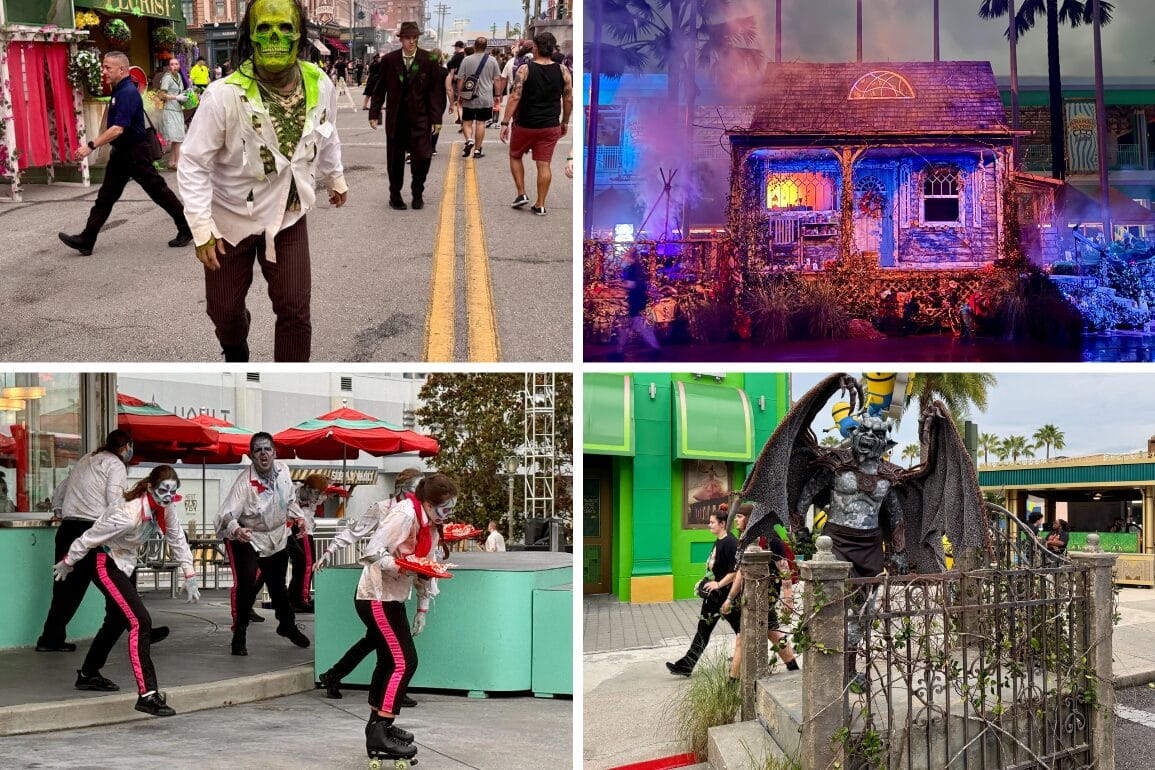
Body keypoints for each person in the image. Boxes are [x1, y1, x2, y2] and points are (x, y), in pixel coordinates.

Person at [179, 0, 349, 363]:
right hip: (229, 219)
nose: (275, 37)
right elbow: (193, 162)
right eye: (264, 28)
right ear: (250, 37)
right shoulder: (223, 95)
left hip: (287, 214)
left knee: (295, 309)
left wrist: (335, 176)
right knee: (224, 313)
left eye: (285, 28)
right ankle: (235, 350)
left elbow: (328, 133)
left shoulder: (320, 83)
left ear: (300, 34)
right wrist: (200, 227)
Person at [53, 465, 200, 717]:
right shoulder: (128, 513)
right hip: (104, 561)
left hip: (124, 563)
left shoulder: (165, 508)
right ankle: (148, 694)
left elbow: (176, 537)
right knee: (140, 621)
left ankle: (88, 674)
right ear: (151, 488)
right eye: (163, 491)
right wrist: (68, 562)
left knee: (117, 619)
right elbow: (90, 537)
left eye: (172, 492)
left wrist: (189, 574)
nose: (167, 496)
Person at [355, 473, 458, 766]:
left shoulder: (433, 526)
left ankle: (376, 725)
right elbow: (372, 553)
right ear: (427, 503)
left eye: (451, 508)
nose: (447, 514)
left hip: (394, 597)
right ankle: (381, 728)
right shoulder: (403, 515)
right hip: (375, 595)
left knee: (389, 661)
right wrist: (402, 567)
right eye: (444, 509)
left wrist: (422, 609)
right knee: (404, 662)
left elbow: (429, 566)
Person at [58, 52, 193, 257]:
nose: (103, 71)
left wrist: (91, 146)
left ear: (122, 69)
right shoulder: (120, 90)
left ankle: (186, 228)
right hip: (122, 153)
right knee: (106, 197)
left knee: (159, 192)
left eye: (107, 68)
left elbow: (118, 129)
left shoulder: (127, 92)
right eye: (103, 67)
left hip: (135, 152)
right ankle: (87, 239)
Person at [313, 468, 424, 704]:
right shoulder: (382, 508)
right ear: (402, 490)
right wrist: (329, 551)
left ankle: (337, 676)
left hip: (396, 590)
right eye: (416, 491)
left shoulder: (418, 515)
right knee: (388, 646)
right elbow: (355, 532)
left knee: (378, 642)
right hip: (373, 589)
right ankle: (387, 694)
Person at [37, 430, 151, 652]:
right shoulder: (116, 465)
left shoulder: (87, 459)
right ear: (126, 446)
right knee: (121, 579)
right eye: (131, 447)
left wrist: (60, 511)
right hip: (93, 531)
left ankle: (50, 638)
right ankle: (138, 627)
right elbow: (114, 502)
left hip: (69, 529)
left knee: (65, 589)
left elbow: (62, 488)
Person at [215, 432, 312, 655]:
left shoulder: (284, 471)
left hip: (277, 535)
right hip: (247, 536)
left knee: (278, 585)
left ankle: (287, 625)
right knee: (247, 584)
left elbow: (289, 499)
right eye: (258, 450)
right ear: (251, 456)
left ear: (274, 452)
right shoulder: (244, 482)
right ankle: (239, 633)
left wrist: (299, 517)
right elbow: (227, 514)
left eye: (267, 449)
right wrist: (237, 529)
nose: (263, 454)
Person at [368, 21, 445, 211]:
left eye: (414, 38)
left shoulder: (429, 60)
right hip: (396, 119)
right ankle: (395, 195)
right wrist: (374, 113)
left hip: (421, 118)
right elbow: (380, 89)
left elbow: (436, 92)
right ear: (401, 39)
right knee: (395, 160)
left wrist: (436, 118)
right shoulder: (389, 60)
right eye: (408, 38)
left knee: (423, 156)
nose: (411, 41)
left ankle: (417, 191)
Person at [499, 31, 572, 216]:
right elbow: (568, 99)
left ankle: (521, 193)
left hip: (525, 124)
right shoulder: (563, 71)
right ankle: (540, 204)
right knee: (544, 164)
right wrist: (564, 122)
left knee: (515, 155)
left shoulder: (525, 69)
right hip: (550, 125)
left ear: (536, 49)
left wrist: (505, 122)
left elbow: (515, 96)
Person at [722, 505, 798, 680]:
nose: (735, 519)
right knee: (772, 632)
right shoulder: (746, 539)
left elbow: (784, 569)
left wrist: (788, 599)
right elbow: (741, 571)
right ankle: (794, 669)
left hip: (766, 594)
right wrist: (730, 598)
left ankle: (732, 682)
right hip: (750, 594)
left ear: (750, 519)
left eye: (740, 516)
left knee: (743, 637)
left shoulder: (771, 539)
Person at [667, 510, 740, 676]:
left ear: (722, 524)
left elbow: (736, 570)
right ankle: (686, 665)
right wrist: (706, 581)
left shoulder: (730, 543)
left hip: (725, 596)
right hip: (714, 597)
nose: (709, 525)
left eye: (712, 522)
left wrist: (718, 584)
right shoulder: (719, 541)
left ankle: (744, 658)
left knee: (740, 630)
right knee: (703, 630)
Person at [287, 472, 330, 613]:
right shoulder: (291, 492)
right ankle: (299, 598)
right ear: (307, 488)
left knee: (304, 562)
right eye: (316, 493)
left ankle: (298, 597)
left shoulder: (315, 498)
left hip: (303, 528)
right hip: (287, 528)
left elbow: (311, 511)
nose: (317, 498)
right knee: (305, 562)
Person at [456, 36, 501, 159]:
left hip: (469, 96)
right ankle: (477, 150)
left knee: (467, 121)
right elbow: (497, 79)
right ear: (486, 47)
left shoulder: (466, 60)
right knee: (481, 123)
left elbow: (460, 79)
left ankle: (469, 139)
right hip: (486, 96)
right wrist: (497, 95)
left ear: (474, 46)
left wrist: (461, 94)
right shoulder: (492, 60)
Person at [614, 248, 661, 355]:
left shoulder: (633, 268)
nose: (624, 257)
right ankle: (620, 349)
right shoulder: (637, 267)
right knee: (632, 325)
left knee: (634, 325)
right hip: (638, 300)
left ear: (630, 257)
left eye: (626, 255)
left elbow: (632, 284)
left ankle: (620, 349)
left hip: (635, 300)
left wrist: (620, 284)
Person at [158, 57, 189, 170]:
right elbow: (161, 95)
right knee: (178, 138)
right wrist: (176, 97)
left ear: (179, 66)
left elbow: (179, 91)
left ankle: (172, 163)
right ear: (168, 66)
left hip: (178, 109)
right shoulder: (167, 78)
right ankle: (179, 163)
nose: (174, 66)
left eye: (176, 64)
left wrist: (186, 94)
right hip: (170, 110)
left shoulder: (179, 76)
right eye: (172, 64)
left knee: (178, 137)